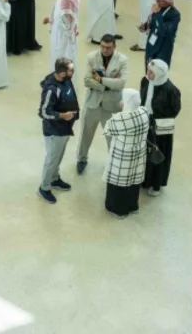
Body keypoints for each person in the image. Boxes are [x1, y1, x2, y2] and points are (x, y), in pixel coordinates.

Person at [76, 34, 129, 175]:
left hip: (111, 106)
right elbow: (87, 80)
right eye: (103, 46)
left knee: (112, 137)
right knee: (85, 134)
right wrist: (108, 85)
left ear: (114, 46)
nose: (105, 50)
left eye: (108, 47)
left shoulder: (122, 60)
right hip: (92, 103)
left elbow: (121, 84)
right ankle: (81, 158)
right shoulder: (91, 57)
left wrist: (100, 80)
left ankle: (113, 161)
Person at [102, 87, 149, 218]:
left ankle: (118, 210)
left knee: (119, 184)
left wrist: (122, 109)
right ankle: (133, 206)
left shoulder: (121, 119)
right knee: (134, 182)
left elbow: (107, 130)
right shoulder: (144, 112)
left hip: (122, 157)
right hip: (139, 155)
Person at [38, 57, 79, 204]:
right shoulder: (51, 89)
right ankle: (44, 187)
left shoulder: (66, 80)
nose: (73, 72)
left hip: (65, 128)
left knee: (58, 157)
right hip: (55, 131)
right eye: (71, 70)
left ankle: (54, 179)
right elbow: (43, 112)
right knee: (52, 159)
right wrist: (62, 116)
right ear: (62, 73)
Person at [139, 59, 181, 196]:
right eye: (148, 70)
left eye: (152, 72)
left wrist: (156, 116)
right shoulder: (145, 81)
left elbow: (174, 111)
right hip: (145, 122)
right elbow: (142, 99)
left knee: (158, 155)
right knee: (144, 153)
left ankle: (156, 184)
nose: (148, 74)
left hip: (160, 129)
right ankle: (144, 180)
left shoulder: (171, 90)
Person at [43, 0, 79, 66]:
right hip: (60, 34)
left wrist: (67, 33)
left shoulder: (66, 1)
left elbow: (67, 22)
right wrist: (50, 20)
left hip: (63, 37)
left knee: (63, 60)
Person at [143, 0, 180, 68]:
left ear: (166, 0)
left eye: (159, 0)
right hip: (151, 45)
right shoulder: (158, 9)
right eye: (157, 0)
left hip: (163, 48)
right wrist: (146, 26)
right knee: (148, 70)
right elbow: (153, 24)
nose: (157, 2)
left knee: (158, 71)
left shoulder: (174, 14)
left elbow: (165, 31)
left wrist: (156, 14)